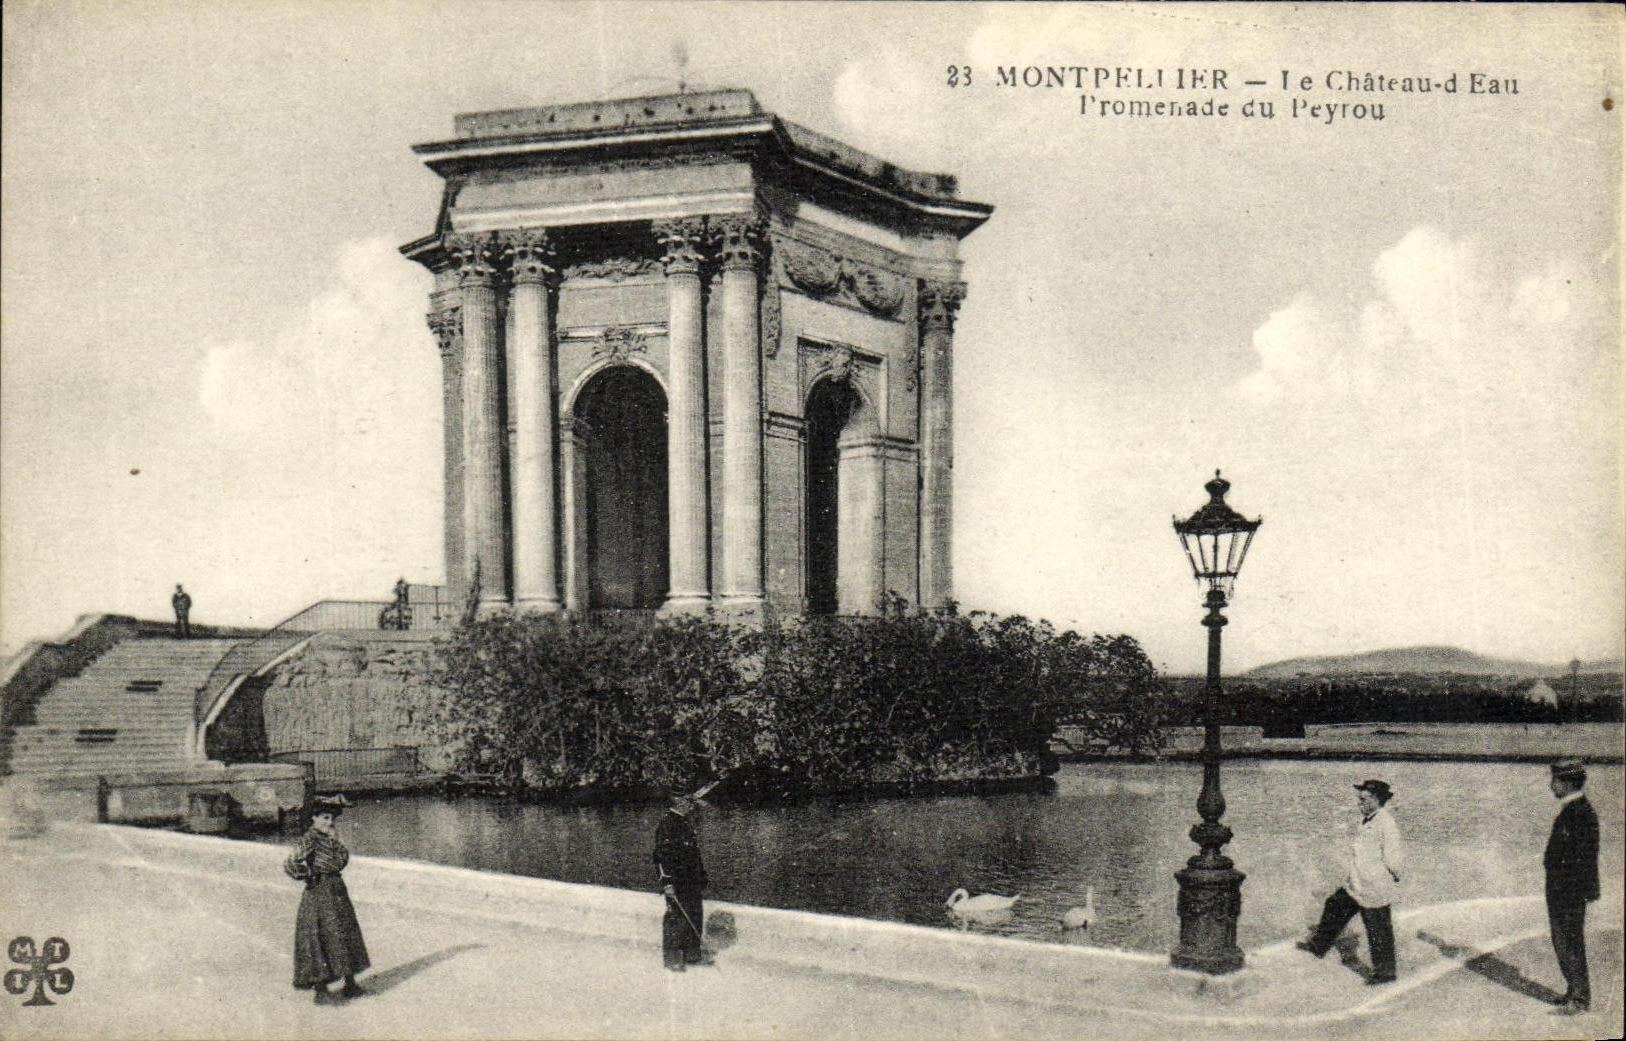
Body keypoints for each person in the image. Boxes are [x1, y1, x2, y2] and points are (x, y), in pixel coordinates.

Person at [1297, 779, 1404, 984]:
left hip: (1374, 887)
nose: (1359, 803)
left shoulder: (1386, 823)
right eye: (1359, 799)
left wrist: (1388, 878)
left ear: (1376, 800)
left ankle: (1385, 973)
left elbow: (1394, 859)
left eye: (1363, 799)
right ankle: (1318, 946)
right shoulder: (1368, 820)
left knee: (1378, 929)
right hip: (1357, 882)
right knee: (1334, 904)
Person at [285, 795, 371, 1004]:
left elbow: (342, 860)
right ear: (314, 818)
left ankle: (349, 983)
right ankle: (321, 988)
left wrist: (335, 840)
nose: (329, 822)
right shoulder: (310, 839)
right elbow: (291, 863)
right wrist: (309, 875)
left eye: (331, 818)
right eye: (324, 817)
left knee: (343, 932)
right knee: (321, 936)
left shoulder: (330, 838)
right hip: (319, 891)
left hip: (336, 889)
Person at [1544, 758, 1599, 1016]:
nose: (1551, 786)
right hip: (1565, 890)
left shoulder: (1578, 814)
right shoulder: (1577, 811)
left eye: (1554, 781)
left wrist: (1580, 891)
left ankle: (1579, 998)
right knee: (1564, 940)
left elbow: (1584, 857)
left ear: (1567, 783)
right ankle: (1574, 990)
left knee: (1569, 941)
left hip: (1568, 891)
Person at [654, 787, 711, 971]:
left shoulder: (684, 822)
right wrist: (667, 882)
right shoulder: (667, 824)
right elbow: (661, 856)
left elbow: (693, 853)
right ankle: (673, 960)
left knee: (695, 914)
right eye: (688, 802)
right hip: (677, 880)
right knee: (676, 918)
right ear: (678, 802)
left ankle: (693, 955)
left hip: (691, 879)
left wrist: (701, 875)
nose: (691, 806)